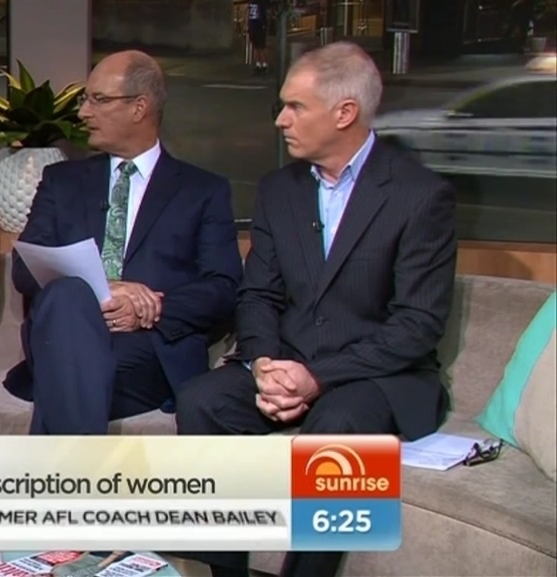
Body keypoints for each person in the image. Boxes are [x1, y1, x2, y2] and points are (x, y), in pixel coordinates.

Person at [175, 41, 457, 577]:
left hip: (376, 376)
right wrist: (264, 363)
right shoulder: (278, 190)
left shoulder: (420, 195)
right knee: (201, 401)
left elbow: (417, 325)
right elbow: (258, 294)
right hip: (288, 361)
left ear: (344, 112)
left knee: (339, 424)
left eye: (295, 107)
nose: (280, 120)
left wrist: (317, 378)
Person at [4, 50, 243, 435]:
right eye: (85, 99)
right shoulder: (61, 181)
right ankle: (78, 470)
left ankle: (62, 469)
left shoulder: (202, 191)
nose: (83, 112)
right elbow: (24, 269)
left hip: (146, 349)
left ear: (139, 107)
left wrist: (151, 306)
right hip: (61, 336)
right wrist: (103, 288)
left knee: (69, 376)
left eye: (98, 99)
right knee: (68, 302)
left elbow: (224, 287)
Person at [247, 0, 271, 75]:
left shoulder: (262, 2)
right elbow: (248, 12)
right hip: (253, 25)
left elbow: (266, 11)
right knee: (256, 46)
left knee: (261, 46)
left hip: (260, 25)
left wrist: (264, 24)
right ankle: (258, 64)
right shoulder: (251, 2)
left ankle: (264, 64)